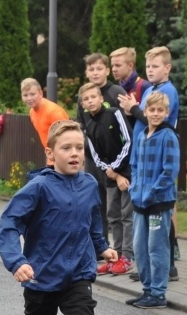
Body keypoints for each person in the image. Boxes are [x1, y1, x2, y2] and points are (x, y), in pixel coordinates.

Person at [0, 120, 118, 315]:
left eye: (79, 148)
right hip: (41, 276)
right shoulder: (38, 188)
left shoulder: (89, 185)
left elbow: (92, 221)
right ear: (50, 154)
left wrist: (102, 247)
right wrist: (16, 261)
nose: (75, 153)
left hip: (78, 274)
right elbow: (9, 224)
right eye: (67, 148)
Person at [118, 46, 181, 282]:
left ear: (167, 68)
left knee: (161, 218)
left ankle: (168, 266)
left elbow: (155, 119)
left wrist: (133, 109)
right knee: (146, 225)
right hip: (143, 155)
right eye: (148, 66)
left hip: (157, 159)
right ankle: (147, 269)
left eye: (155, 66)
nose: (150, 70)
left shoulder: (168, 90)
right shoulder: (151, 89)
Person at [127, 92, 179, 309]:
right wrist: (134, 188)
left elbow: (170, 171)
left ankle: (158, 293)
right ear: (145, 111)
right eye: (152, 110)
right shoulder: (141, 136)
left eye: (160, 110)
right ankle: (147, 289)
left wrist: (152, 192)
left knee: (156, 248)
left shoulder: (168, 136)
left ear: (166, 113)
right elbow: (134, 165)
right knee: (139, 248)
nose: (155, 114)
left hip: (158, 203)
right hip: (139, 203)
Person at [78, 83, 134, 276]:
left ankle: (128, 257)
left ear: (101, 99)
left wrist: (118, 171)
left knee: (127, 215)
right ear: (82, 104)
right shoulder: (89, 126)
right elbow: (95, 156)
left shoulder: (114, 113)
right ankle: (115, 256)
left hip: (126, 172)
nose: (90, 101)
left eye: (93, 97)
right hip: (111, 176)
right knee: (112, 215)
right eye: (86, 99)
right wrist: (112, 173)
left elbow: (128, 141)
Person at [76, 53, 126, 240]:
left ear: (107, 70)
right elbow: (81, 125)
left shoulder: (116, 92)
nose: (95, 73)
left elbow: (126, 125)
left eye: (99, 68)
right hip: (93, 159)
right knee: (96, 204)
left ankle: (122, 249)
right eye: (91, 69)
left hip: (116, 162)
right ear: (86, 72)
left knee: (117, 208)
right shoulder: (83, 95)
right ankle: (100, 245)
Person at [21, 77, 69, 165]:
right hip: (51, 157)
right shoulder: (32, 112)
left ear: (41, 93)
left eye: (32, 94)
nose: (29, 98)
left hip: (63, 158)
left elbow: (68, 137)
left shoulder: (53, 112)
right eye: (25, 95)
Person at [109, 47, 151, 128]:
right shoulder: (115, 89)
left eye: (118, 65)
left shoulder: (145, 86)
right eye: (112, 66)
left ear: (130, 66)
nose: (113, 69)